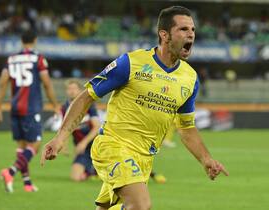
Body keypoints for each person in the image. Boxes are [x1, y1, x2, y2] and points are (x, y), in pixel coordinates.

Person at [41, 6, 228, 210]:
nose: (191, 33)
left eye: (192, 29)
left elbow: (186, 128)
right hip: (113, 148)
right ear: (164, 35)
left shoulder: (190, 79)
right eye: (183, 29)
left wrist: (206, 159)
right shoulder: (131, 63)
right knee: (141, 205)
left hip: (144, 160)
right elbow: (86, 96)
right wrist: (61, 136)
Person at [0, 30, 60, 193]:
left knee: (22, 147)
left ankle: (27, 183)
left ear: (21, 41)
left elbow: (2, 83)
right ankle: (10, 172)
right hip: (31, 107)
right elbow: (47, 83)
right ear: (35, 40)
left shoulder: (11, 59)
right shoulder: (38, 58)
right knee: (35, 146)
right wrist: (55, 105)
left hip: (14, 107)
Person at [62, 79, 100, 181]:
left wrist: (83, 143)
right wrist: (63, 144)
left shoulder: (88, 105)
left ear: (80, 90)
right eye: (69, 89)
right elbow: (65, 128)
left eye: (74, 88)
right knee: (75, 178)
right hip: (82, 148)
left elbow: (97, 127)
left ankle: (95, 169)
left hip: (97, 146)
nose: (72, 91)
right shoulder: (65, 108)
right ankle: (91, 171)